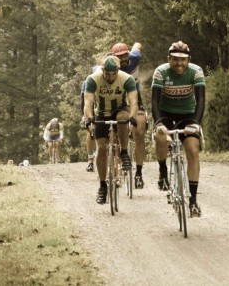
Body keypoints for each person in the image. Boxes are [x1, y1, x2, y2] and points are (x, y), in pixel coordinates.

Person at [151, 41, 205, 218]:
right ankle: (163, 171)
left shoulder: (196, 71)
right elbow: (155, 101)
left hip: (187, 116)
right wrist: (159, 124)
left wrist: (195, 123)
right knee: (161, 138)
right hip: (165, 114)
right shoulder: (160, 72)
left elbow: (201, 99)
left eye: (182, 60)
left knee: (192, 150)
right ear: (169, 59)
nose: (179, 64)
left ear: (189, 60)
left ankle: (193, 201)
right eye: (175, 60)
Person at [83, 55, 138, 204]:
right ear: (103, 70)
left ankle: (124, 152)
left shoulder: (127, 79)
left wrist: (132, 117)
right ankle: (102, 186)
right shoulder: (93, 79)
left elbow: (133, 102)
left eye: (114, 73)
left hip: (120, 109)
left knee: (122, 119)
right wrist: (88, 119)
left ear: (118, 70)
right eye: (107, 73)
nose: (111, 77)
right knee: (100, 149)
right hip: (101, 113)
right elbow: (88, 103)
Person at [111, 42, 147, 189]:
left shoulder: (135, 57)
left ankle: (138, 173)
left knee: (139, 132)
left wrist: (136, 45)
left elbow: (138, 46)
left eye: (125, 55)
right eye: (119, 57)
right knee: (113, 135)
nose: (124, 59)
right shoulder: (110, 65)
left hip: (134, 99)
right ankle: (115, 171)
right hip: (116, 100)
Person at [81, 65, 102, 172]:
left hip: (104, 107)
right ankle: (90, 159)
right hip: (91, 108)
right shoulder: (87, 82)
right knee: (91, 132)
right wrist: (85, 117)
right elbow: (83, 102)